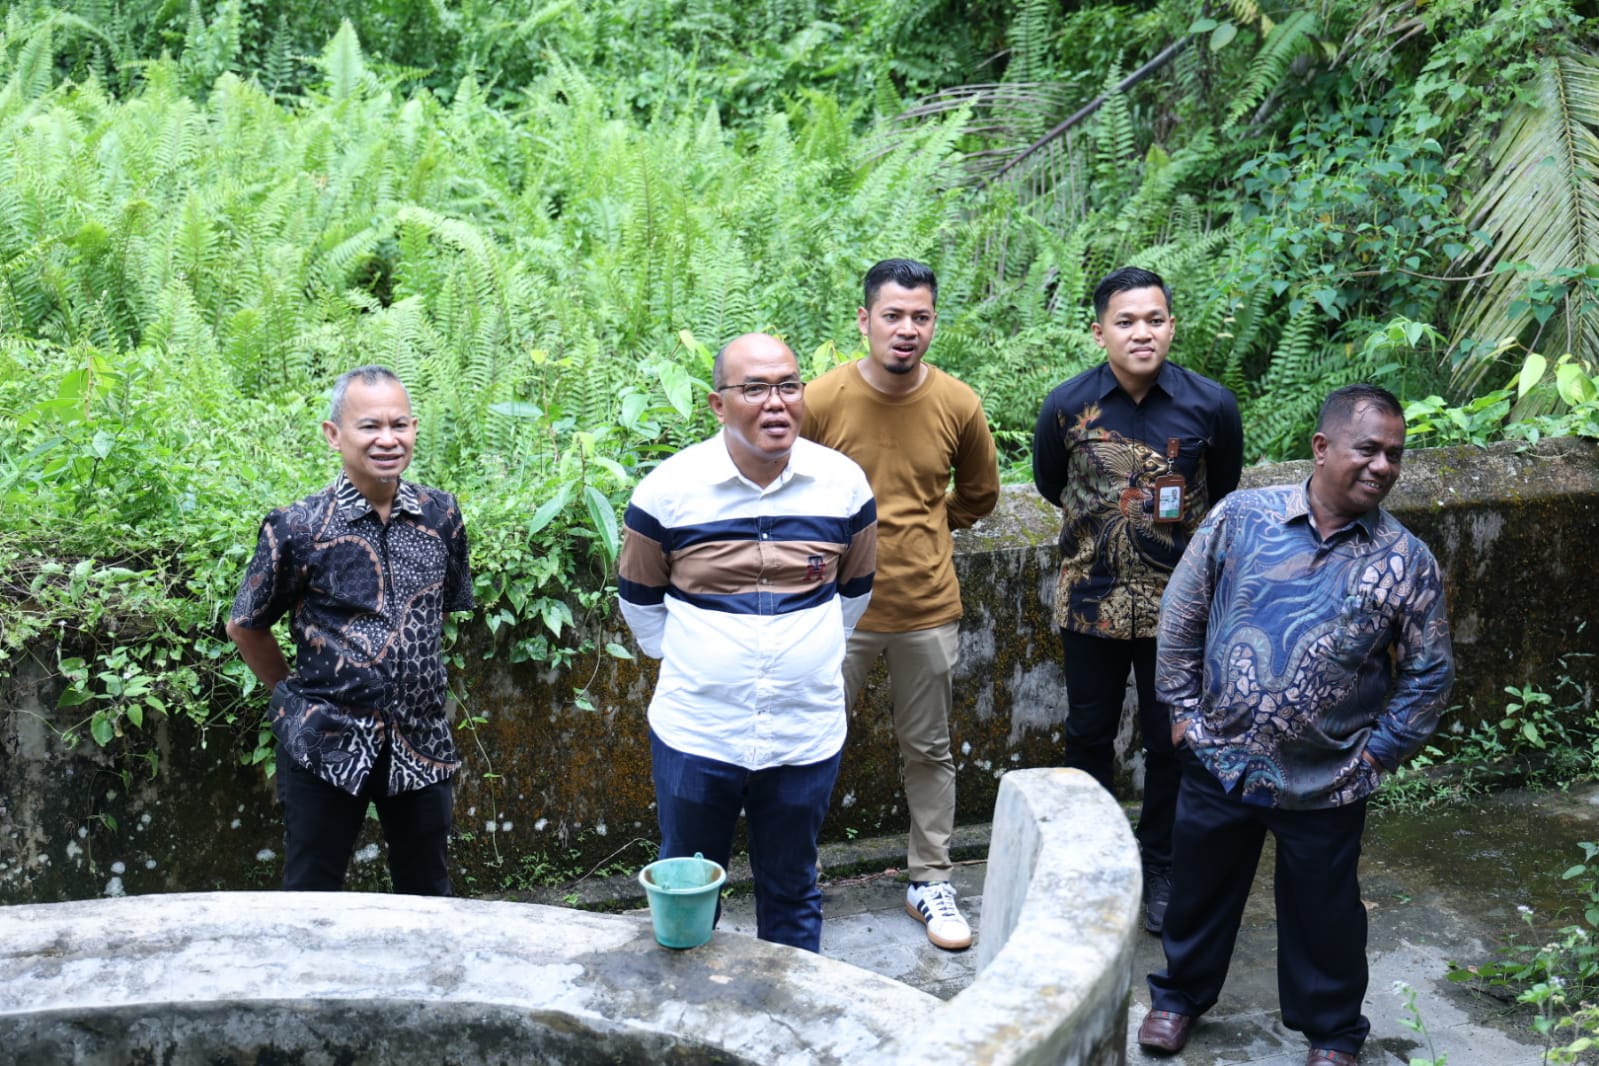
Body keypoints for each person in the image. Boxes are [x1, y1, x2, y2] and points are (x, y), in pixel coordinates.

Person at [1135, 384, 1455, 1065]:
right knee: (1198, 891)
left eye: (1394, 455)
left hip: (1328, 775)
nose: (1381, 466)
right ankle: (1177, 1000)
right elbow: (1182, 613)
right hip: (1220, 756)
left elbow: (1428, 673)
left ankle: (1332, 1034)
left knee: (1325, 916)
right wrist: (1183, 715)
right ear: (1320, 447)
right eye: (1366, 449)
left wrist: (1378, 756)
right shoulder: (1240, 518)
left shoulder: (1405, 560)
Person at [618, 333, 877, 953]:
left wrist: (799, 657)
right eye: (754, 388)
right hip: (699, 733)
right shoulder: (667, 493)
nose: (775, 402)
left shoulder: (843, 487)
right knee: (686, 891)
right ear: (717, 404)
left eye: (788, 385)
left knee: (792, 887)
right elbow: (641, 604)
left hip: (802, 733)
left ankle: (789, 1034)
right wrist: (708, 665)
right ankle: (683, 1030)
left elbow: (853, 595)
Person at [1031, 265, 1243, 934]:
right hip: (1090, 600)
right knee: (1088, 734)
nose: (1140, 332)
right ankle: (1088, 861)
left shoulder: (1209, 404)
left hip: (1178, 608)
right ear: (1099, 332)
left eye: (1153, 319)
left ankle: (1161, 865)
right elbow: (1047, 481)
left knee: (1169, 740)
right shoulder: (1066, 406)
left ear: (1171, 326)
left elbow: (1225, 490)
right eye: (1125, 321)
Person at [803, 258, 999, 951]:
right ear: (864, 320)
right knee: (810, 745)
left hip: (926, 606)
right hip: (835, 613)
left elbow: (977, 494)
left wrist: (924, 527)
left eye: (920, 316)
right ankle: (796, 875)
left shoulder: (957, 403)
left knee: (929, 749)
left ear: (933, 323)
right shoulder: (820, 400)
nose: (906, 329)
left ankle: (929, 879)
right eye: (892, 315)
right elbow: (790, 489)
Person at [226, 365, 474, 895]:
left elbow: (442, 611)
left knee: (428, 890)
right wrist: (292, 694)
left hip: (420, 740)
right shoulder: (297, 526)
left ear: (414, 429)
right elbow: (245, 624)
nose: (388, 439)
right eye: (369, 427)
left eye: (400, 425)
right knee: (312, 893)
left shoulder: (442, 516)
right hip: (325, 742)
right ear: (334, 434)